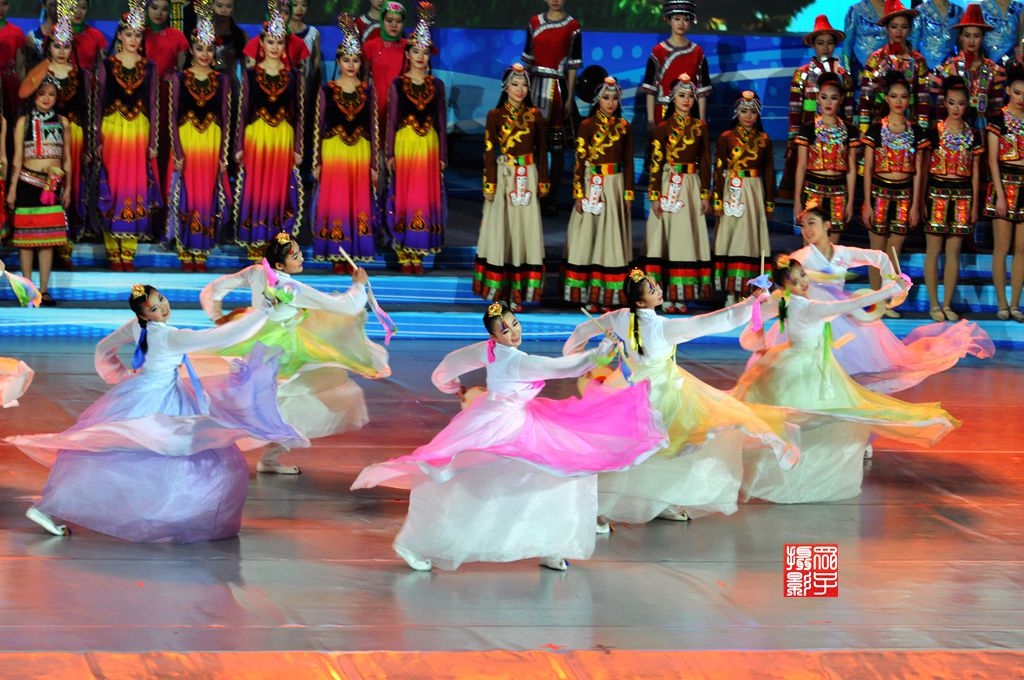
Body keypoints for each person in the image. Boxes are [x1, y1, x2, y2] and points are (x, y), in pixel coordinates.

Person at [351, 301, 665, 572]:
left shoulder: (489, 350)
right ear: (494, 336)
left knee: (551, 477)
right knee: (478, 480)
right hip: (500, 425)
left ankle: (551, 545)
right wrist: (604, 349)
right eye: (505, 329)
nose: (514, 331)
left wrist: (449, 385)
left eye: (514, 323)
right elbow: (566, 368)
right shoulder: (517, 361)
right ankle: (418, 543)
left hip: (506, 417)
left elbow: (449, 365)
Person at [5, 283, 307, 542]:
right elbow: (221, 337)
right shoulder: (170, 336)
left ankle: (52, 506)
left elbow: (104, 348)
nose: (162, 307)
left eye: (161, 299)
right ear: (144, 314)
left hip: (139, 392)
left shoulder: (137, 327)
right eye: (154, 307)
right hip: (157, 398)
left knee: (117, 452)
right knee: (177, 450)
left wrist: (118, 376)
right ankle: (171, 513)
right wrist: (264, 313)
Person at [563, 269, 796, 524]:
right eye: (652, 289)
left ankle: (648, 502)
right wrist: (750, 302)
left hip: (625, 387)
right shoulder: (663, 328)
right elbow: (715, 321)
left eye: (656, 285)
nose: (659, 289)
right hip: (660, 392)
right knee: (662, 449)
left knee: (632, 448)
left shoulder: (619, 317)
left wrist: (577, 360)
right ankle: (612, 506)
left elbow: (582, 330)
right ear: (640, 301)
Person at [733, 256, 958, 504]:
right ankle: (790, 448)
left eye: (803, 276)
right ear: (785, 286)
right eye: (795, 281)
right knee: (820, 414)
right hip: (806, 368)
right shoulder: (810, 307)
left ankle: (791, 452)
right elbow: (856, 303)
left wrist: (757, 306)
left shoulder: (782, 301)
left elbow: (753, 318)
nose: (803, 283)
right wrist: (891, 289)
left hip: (788, 361)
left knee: (798, 414)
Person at [200, 232, 391, 474]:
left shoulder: (257, 272)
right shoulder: (290, 288)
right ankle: (265, 455)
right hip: (283, 349)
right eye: (295, 257)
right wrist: (359, 285)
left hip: (254, 340)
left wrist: (217, 316)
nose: (301, 259)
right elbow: (345, 306)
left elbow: (215, 287)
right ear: (280, 265)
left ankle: (240, 450)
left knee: (263, 401)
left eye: (300, 254)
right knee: (292, 401)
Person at [762, 204, 994, 393]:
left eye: (812, 223)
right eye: (803, 225)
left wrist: (890, 284)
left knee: (850, 374)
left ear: (827, 225)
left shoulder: (843, 253)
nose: (806, 230)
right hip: (815, 317)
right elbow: (785, 286)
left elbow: (880, 257)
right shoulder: (800, 257)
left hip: (843, 314)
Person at [473, 64, 548, 310]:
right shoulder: (495, 115)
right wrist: (490, 183)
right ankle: (501, 292)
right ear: (505, 87)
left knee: (523, 233)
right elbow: (488, 151)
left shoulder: (535, 115)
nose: (520, 89)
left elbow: (542, 150)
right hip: (504, 178)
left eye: (524, 84)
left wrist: (543, 181)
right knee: (502, 233)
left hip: (528, 178)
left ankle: (518, 293)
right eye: (515, 84)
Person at [94, 5, 161, 271]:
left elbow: (153, 105)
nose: (133, 39)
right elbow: (98, 104)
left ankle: (129, 252)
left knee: (135, 187)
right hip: (112, 131)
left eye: (138, 34)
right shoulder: (107, 65)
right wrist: (96, 140)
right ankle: (113, 251)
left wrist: (153, 141)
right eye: (129, 34)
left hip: (138, 133)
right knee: (113, 186)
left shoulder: (149, 67)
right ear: (120, 35)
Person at [233, 8, 303, 260]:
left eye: (279, 42)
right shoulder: (251, 74)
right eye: (270, 41)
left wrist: (298, 147)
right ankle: (255, 246)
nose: (275, 47)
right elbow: (243, 111)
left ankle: (278, 249)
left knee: (279, 190)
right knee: (256, 188)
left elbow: (299, 113)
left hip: (283, 139)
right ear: (261, 43)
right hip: (257, 138)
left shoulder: (294, 75)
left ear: (285, 44)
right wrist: (239, 146)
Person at [167, 0, 231, 272]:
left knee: (206, 197)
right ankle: (185, 251)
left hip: (211, 145)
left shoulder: (222, 80)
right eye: (200, 48)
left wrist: (224, 156)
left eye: (209, 48)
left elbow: (226, 119)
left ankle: (201, 252)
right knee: (187, 195)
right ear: (191, 50)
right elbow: (172, 117)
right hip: (188, 143)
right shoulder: (179, 79)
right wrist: (177, 152)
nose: (205, 54)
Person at [311, 13, 377, 273]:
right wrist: (316, 161)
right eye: (346, 59)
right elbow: (318, 127)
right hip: (334, 151)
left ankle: (354, 254)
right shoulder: (327, 90)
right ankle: (336, 254)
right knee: (337, 200)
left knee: (357, 201)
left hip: (360, 152)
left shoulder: (367, 91)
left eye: (355, 60)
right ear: (338, 61)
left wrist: (375, 164)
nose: (351, 64)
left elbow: (373, 128)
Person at [562, 76, 633, 311]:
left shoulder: (624, 126)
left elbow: (628, 163)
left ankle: (609, 295)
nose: (610, 103)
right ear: (597, 100)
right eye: (606, 98)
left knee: (610, 238)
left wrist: (628, 194)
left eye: (614, 98)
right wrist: (578, 193)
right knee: (588, 237)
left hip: (614, 186)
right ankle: (588, 295)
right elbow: (579, 161)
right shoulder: (587, 125)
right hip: (592, 185)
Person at [643, 73, 712, 313]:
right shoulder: (663, 128)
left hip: (690, 186)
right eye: (682, 95)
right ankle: (662, 295)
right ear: (672, 98)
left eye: (690, 96)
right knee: (665, 240)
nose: (686, 100)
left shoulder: (701, 127)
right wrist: (654, 195)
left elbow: (705, 161)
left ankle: (681, 296)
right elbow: (655, 163)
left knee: (685, 240)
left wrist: (705, 193)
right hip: (667, 184)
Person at [385, 4, 446, 274]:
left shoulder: (437, 85)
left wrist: (443, 155)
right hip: (405, 146)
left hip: (428, 149)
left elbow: (441, 122)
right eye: (416, 51)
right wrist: (389, 153)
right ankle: (403, 253)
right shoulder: (398, 85)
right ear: (408, 54)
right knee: (405, 197)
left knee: (423, 198)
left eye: (425, 52)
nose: (420, 57)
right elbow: (391, 121)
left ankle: (418, 253)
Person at [860, 72, 928, 306]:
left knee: (894, 252)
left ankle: (889, 301)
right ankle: (876, 303)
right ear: (886, 98)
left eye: (904, 96)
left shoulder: (917, 132)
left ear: (909, 99)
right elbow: (868, 169)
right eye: (894, 96)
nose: (899, 101)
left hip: (905, 196)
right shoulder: (875, 130)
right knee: (877, 254)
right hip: (878, 193)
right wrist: (867, 202)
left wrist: (916, 205)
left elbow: (919, 173)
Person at [924, 76, 984, 321]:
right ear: (945, 103)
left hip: (962, 196)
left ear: (967, 104)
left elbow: (976, 172)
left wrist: (975, 204)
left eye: (961, 103)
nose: (956, 108)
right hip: (936, 193)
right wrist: (920, 201)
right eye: (951, 103)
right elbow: (924, 169)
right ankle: (933, 304)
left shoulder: (973, 135)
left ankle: (947, 304)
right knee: (933, 250)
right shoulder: (934, 132)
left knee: (954, 252)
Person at [6, 75, 69, 308]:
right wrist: (12, 189)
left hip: (52, 186)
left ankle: (44, 290)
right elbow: (17, 159)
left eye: (51, 94)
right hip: (27, 183)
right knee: (26, 241)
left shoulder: (63, 122)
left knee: (47, 241)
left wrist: (68, 188)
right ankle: (28, 291)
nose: (46, 98)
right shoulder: (24, 122)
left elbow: (67, 159)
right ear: (33, 96)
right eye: (42, 94)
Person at [782, 15, 855, 201]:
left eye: (830, 43)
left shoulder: (843, 75)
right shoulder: (802, 74)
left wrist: (849, 136)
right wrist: (793, 137)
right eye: (820, 43)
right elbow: (795, 109)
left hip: (837, 136)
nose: (825, 47)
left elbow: (848, 109)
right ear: (813, 45)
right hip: (809, 134)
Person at [713, 90, 775, 304]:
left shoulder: (764, 140)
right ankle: (730, 291)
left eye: (752, 112)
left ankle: (748, 291)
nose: (748, 116)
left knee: (750, 240)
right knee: (731, 239)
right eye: (744, 111)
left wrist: (769, 203)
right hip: (732, 191)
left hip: (754, 193)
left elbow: (769, 173)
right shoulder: (726, 138)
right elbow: (718, 170)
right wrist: (717, 200)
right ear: (736, 113)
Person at [521, 0, 582, 216]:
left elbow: (573, 66)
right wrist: (522, 90)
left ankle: (552, 199)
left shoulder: (573, 26)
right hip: (534, 87)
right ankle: (530, 195)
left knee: (556, 149)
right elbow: (527, 59)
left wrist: (570, 98)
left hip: (557, 89)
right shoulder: (534, 22)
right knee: (532, 146)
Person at [792, 73, 859, 243]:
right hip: (813, 192)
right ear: (818, 98)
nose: (828, 102)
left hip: (838, 193)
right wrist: (797, 199)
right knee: (810, 248)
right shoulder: (808, 129)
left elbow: (851, 169)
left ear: (841, 100)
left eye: (833, 98)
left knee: (832, 250)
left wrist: (850, 202)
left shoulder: (850, 131)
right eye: (824, 97)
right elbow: (801, 166)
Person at [985, 65, 1024, 321]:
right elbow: (992, 160)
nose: (1021, 98)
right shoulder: (997, 119)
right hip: (1004, 185)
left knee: (1022, 249)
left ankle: (1015, 304)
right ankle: (1001, 303)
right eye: (1017, 92)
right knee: (1001, 247)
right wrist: (1000, 195)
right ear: (1008, 90)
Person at [858, 0, 930, 132]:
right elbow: (865, 97)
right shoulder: (875, 59)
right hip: (880, 123)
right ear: (886, 28)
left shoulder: (918, 61)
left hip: (910, 123)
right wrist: (863, 129)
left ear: (910, 29)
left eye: (904, 26)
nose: (899, 31)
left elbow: (923, 99)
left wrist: (922, 131)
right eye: (894, 26)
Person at [931, 5, 1006, 131]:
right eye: (967, 35)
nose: (971, 40)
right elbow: (940, 106)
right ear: (960, 36)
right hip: (953, 132)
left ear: (983, 37)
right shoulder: (949, 67)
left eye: (976, 36)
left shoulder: (993, 69)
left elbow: (997, 109)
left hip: (984, 131)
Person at [642, 0, 711, 127]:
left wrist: (701, 119)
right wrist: (650, 120)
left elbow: (701, 90)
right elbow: (651, 89)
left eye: (686, 19)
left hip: (689, 112)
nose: (681, 23)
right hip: (663, 112)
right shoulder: (658, 51)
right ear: (669, 20)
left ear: (690, 22)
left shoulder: (697, 52)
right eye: (677, 19)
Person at [909, 0, 964, 69]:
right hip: (926, 68)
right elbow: (913, 44)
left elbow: (961, 43)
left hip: (950, 68)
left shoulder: (958, 11)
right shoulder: (921, 10)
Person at [843, 0, 888, 78]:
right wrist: (847, 73)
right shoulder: (855, 11)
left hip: (886, 68)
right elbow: (847, 45)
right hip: (861, 69)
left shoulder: (894, 11)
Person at [980, 0, 1024, 65]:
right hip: (987, 65)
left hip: (1013, 64)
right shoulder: (982, 7)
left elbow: (1021, 40)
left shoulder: (1019, 8)